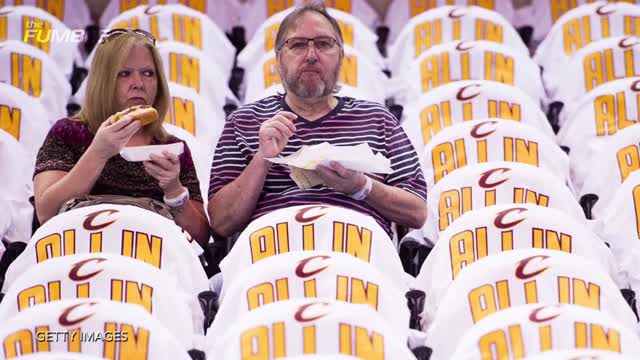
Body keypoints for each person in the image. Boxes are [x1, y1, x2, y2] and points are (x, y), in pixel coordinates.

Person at [208, 2, 428, 238]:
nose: (311, 56)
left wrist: (360, 187)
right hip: (271, 259)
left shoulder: (378, 119)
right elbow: (221, 223)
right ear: (278, 58)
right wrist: (262, 158)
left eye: (324, 44)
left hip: (359, 259)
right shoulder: (244, 122)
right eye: (298, 45)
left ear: (341, 56)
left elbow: (416, 213)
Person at [33, 29, 210, 247]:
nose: (138, 83)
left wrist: (174, 190)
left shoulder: (171, 147)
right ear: (102, 80)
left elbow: (201, 238)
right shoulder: (68, 133)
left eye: (148, 73)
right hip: (80, 248)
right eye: (124, 73)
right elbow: (46, 214)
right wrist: (98, 154)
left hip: (153, 258)